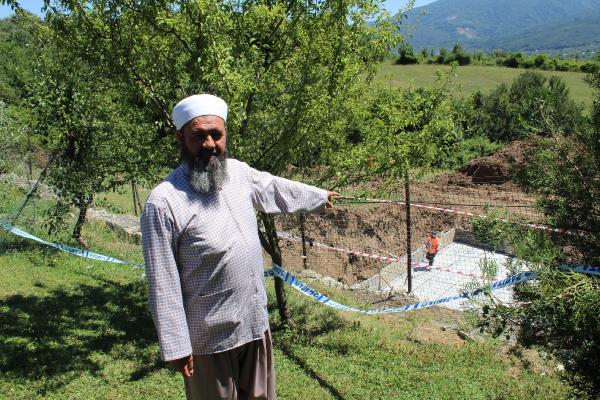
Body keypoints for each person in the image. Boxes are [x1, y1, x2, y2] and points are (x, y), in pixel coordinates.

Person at [140, 93, 338, 400]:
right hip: (208, 339)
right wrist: (176, 346)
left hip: (254, 323)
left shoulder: (238, 173)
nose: (209, 145)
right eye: (198, 136)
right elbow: (162, 283)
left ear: (225, 134)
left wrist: (319, 197)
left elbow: (274, 188)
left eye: (216, 135)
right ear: (181, 137)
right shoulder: (164, 202)